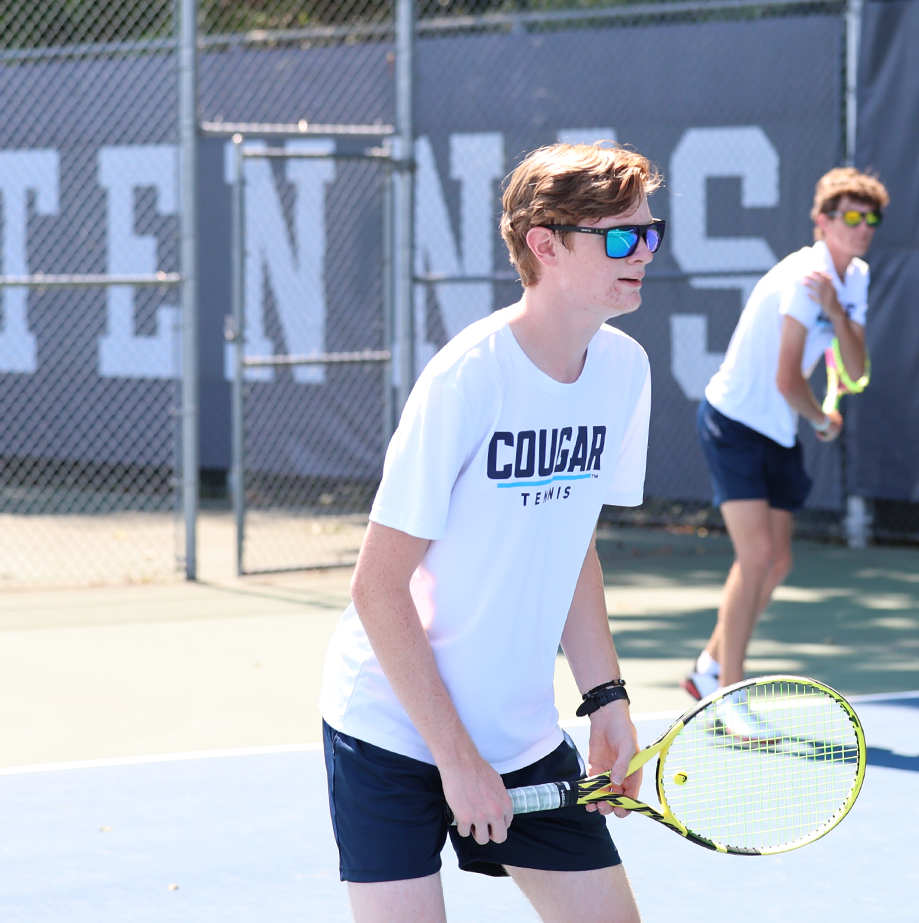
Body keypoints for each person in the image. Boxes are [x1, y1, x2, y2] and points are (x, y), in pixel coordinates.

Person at [319, 142, 662, 923]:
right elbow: (376, 586)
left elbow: (571, 543)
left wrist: (606, 699)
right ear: (546, 243)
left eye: (649, 233)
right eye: (620, 237)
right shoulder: (468, 377)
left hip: (519, 732)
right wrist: (454, 758)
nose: (642, 253)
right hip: (393, 730)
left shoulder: (623, 372)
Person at [685, 168, 886, 705]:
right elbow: (786, 377)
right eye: (850, 217)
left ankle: (708, 666)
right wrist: (820, 419)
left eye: (870, 219)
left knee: (778, 562)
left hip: (777, 428)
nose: (861, 227)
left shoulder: (855, 277)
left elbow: (856, 367)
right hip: (733, 422)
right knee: (755, 558)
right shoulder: (803, 277)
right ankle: (727, 697)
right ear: (823, 222)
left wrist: (839, 312)